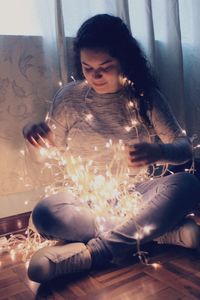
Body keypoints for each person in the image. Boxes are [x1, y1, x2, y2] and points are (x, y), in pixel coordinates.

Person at [23, 14, 200, 283]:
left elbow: (184, 148)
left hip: (135, 197)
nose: (95, 75)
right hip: (85, 201)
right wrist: (36, 142)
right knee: (44, 215)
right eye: (86, 67)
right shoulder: (69, 98)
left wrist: (159, 152)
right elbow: (42, 157)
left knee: (188, 183)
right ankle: (160, 232)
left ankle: (97, 253)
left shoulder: (144, 96)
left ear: (124, 61)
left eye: (105, 66)